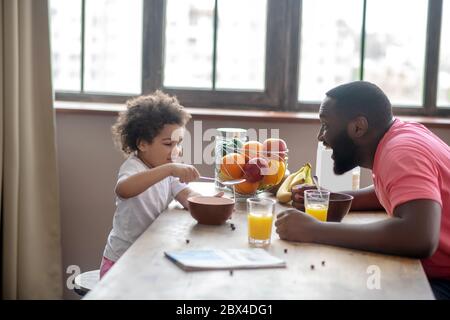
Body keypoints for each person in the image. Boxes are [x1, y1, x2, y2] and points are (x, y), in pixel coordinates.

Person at [275, 81, 450, 299]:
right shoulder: (401, 136)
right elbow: (398, 193)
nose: (321, 137)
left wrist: (315, 230)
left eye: (326, 125)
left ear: (358, 127)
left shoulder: (401, 152)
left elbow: (419, 237)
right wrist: (331, 199)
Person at [100, 91, 206, 279]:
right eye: (168, 144)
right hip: (122, 262)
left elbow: (187, 197)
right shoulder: (135, 167)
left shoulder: (166, 169)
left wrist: (209, 204)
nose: (176, 151)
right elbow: (123, 190)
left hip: (149, 255)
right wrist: (170, 169)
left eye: (178, 144)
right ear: (142, 144)